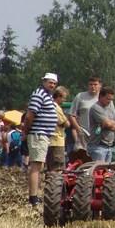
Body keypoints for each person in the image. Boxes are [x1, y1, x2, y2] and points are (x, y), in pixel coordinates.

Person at [23, 73, 59, 206]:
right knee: (36, 166)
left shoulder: (47, 95)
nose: (52, 85)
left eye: (54, 83)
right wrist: (26, 131)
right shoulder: (39, 94)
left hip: (43, 135)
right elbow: (29, 116)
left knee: (39, 166)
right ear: (44, 82)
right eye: (50, 82)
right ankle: (33, 197)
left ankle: (36, 195)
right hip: (38, 134)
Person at [68, 76, 101, 152]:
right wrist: (78, 129)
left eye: (95, 84)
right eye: (91, 84)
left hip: (98, 136)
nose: (93, 87)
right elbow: (72, 115)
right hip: (83, 134)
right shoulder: (80, 96)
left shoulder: (103, 98)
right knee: (81, 156)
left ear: (100, 85)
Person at [88, 87, 115, 162]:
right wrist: (111, 124)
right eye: (108, 99)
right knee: (99, 168)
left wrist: (112, 124)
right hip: (98, 146)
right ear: (101, 96)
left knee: (107, 169)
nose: (110, 101)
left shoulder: (110, 106)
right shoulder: (95, 108)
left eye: (111, 99)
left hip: (109, 146)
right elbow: (107, 124)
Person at [46, 86, 71, 171]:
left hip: (50, 140)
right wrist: (67, 119)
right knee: (58, 167)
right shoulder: (56, 108)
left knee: (50, 167)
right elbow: (66, 124)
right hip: (57, 141)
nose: (64, 100)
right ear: (59, 96)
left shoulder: (49, 105)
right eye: (64, 98)